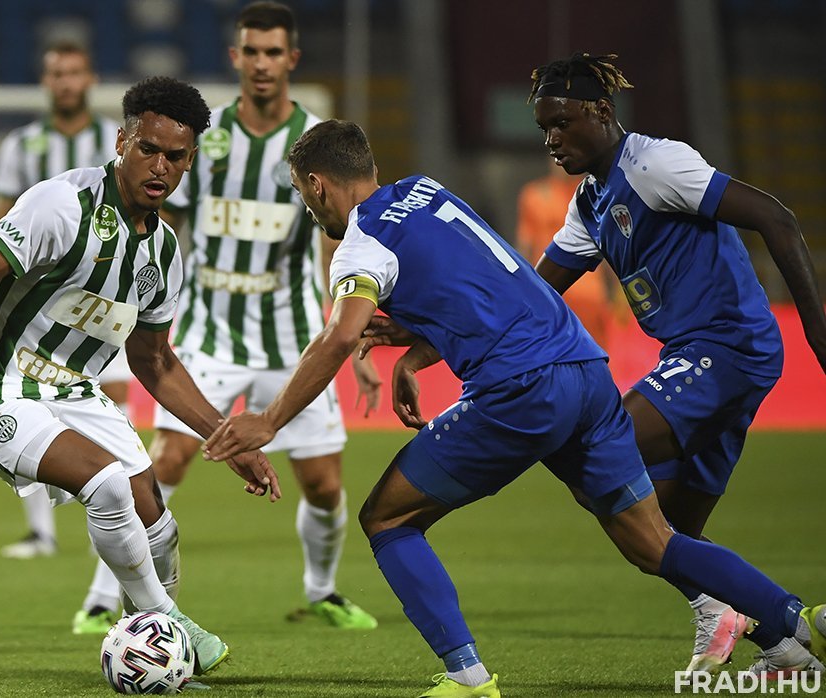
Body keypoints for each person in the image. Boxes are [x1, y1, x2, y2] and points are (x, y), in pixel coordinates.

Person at [201, 119, 825, 697]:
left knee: (388, 518)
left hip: (520, 390)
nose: (308, 206)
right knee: (653, 540)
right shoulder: (426, 192)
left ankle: (468, 678)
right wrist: (415, 349)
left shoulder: (361, 244)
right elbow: (487, 285)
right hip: (587, 373)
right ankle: (796, 625)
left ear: (317, 184)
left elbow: (341, 334)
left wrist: (269, 420)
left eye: (302, 192)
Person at [0, 76, 281, 680]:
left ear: (189, 162)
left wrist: (224, 437)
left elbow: (154, 361)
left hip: (74, 390)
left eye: (175, 156)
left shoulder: (163, 254)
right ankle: (172, 624)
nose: (160, 167)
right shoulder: (61, 206)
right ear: (123, 142)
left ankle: (154, 651)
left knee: (156, 523)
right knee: (105, 485)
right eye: (148, 149)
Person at [69, 0, 382, 638]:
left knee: (323, 484)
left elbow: (337, 240)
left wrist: (351, 336)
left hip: (292, 336)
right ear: (237, 57)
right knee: (165, 462)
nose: (262, 63)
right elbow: (161, 218)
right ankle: (102, 600)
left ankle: (322, 590)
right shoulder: (201, 140)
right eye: (252, 51)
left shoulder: (314, 141)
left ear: (291, 59)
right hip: (209, 333)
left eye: (274, 52)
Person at [527, 52, 826, 675]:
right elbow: (531, 294)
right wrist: (427, 334)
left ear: (601, 111)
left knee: (593, 454)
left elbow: (776, 217)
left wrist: (818, 333)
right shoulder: (590, 203)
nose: (551, 139)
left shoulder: (654, 164)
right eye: (544, 128)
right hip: (700, 358)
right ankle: (783, 647)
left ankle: (785, 619)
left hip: (725, 348)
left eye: (562, 123)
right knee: (664, 528)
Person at [0, 40, 130, 560]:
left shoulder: (114, 141)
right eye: (57, 73)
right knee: (28, 396)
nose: (66, 82)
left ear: (90, 79)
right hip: (38, 298)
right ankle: (41, 532)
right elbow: (0, 216)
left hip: (104, 293)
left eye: (74, 72)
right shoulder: (22, 145)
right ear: (46, 82)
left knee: (112, 394)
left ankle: (108, 519)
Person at [514, 159, 619, 349]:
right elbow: (525, 246)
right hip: (552, 289)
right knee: (554, 350)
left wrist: (617, 289)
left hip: (589, 295)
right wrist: (523, 290)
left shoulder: (593, 195)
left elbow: (605, 245)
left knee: (592, 351)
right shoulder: (534, 195)